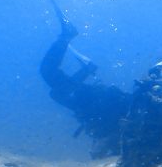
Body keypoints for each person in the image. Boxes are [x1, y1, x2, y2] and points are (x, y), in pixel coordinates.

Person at [40, 17, 131, 159]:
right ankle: (69, 42)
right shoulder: (121, 131)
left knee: (53, 86)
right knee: (49, 76)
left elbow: (99, 151)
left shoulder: (119, 137)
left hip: (87, 107)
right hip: (90, 103)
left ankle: (73, 48)